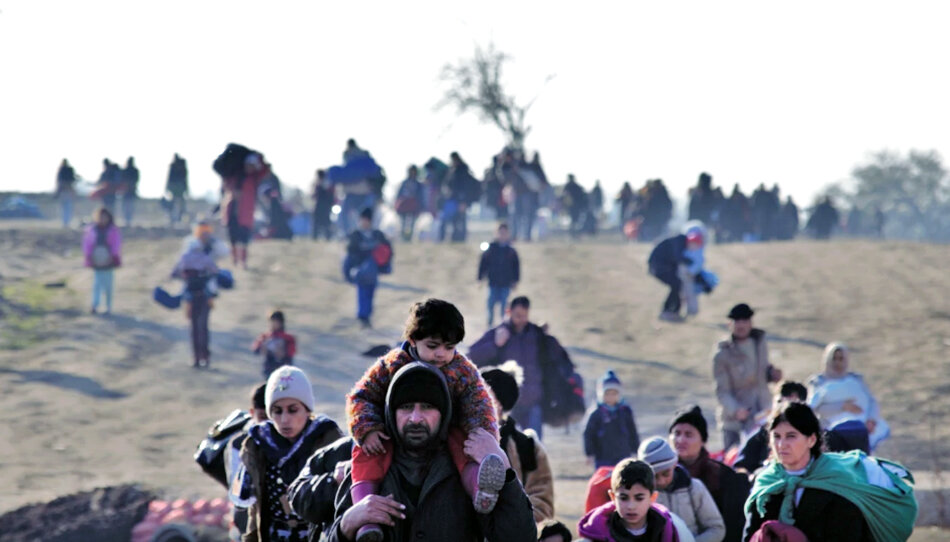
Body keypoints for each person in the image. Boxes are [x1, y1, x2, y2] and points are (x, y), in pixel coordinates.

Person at [344, 299, 504, 541]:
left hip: (446, 433)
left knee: (465, 448)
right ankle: (366, 518)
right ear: (412, 340)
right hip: (392, 432)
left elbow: (479, 403)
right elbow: (362, 395)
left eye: (449, 347)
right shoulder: (392, 365)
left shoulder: (462, 370)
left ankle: (480, 492)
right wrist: (367, 429)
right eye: (432, 346)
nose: (441, 354)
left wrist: (483, 439)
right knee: (365, 453)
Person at [328, 361, 537, 542]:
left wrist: (506, 471)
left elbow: (519, 537)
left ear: (444, 412)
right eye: (407, 406)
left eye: (427, 407)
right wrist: (347, 524)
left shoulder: (469, 467)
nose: (416, 418)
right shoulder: (367, 466)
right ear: (391, 412)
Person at [743, 402, 917, 542]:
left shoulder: (838, 481)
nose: (781, 445)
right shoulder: (766, 482)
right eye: (776, 436)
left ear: (811, 440)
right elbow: (749, 534)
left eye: (791, 436)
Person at [232, 367, 344, 542]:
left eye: (293, 410)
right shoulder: (259, 443)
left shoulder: (329, 441)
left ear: (307, 410)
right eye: (277, 411)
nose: (284, 420)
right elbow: (255, 507)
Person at [469, 296, 576, 439]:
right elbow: (472, 356)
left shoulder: (536, 334)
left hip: (533, 402)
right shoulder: (497, 333)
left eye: (525, 316)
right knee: (505, 448)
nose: (522, 320)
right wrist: (495, 344)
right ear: (508, 312)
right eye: (518, 316)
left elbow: (557, 358)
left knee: (534, 447)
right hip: (506, 405)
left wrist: (547, 338)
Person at [482, 360, 556, 523]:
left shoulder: (527, 447)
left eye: (486, 399)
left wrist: (513, 523)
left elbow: (542, 501)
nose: (479, 405)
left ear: (500, 405)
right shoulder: (458, 441)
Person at [669, 406, 749, 542]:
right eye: (677, 433)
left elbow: (734, 526)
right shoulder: (661, 475)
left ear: (703, 440)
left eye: (689, 435)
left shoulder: (723, 476)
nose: (680, 440)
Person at [713, 304, 782, 450]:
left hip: (763, 412)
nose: (741, 325)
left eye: (744, 320)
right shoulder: (723, 354)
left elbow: (760, 372)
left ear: (751, 323)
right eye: (737, 321)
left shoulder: (759, 343)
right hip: (735, 421)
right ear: (729, 324)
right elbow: (722, 391)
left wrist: (771, 374)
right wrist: (736, 409)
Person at [578, 458, 694, 542]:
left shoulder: (674, 529)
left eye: (639, 498)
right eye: (623, 498)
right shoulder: (596, 535)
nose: (631, 506)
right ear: (613, 497)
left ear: (652, 498)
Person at [639, 437, 725, 542]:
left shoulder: (694, 488)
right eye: (654, 476)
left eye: (666, 473)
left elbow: (716, 528)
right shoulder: (640, 496)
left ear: (674, 464)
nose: (661, 481)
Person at [807, 343, 889, 451]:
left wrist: (871, 420)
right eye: (834, 358)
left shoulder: (856, 379)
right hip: (830, 435)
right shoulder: (818, 382)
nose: (837, 362)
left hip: (859, 433)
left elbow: (871, 402)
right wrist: (843, 406)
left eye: (841, 359)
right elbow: (814, 408)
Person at [733, 382, 807, 476]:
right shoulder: (761, 435)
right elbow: (741, 467)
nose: (783, 410)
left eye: (790, 405)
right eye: (779, 403)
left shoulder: (815, 436)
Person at [171, 231, 220, 368]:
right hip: (204, 296)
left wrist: (185, 277)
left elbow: (174, 273)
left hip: (190, 298)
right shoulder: (205, 258)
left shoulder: (184, 258)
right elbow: (215, 271)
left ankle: (196, 358)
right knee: (203, 327)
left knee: (193, 328)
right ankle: (206, 357)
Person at [217, 146, 270, 269]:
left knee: (244, 238)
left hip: (246, 213)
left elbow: (265, 170)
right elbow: (225, 183)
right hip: (231, 210)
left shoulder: (254, 178)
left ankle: (243, 261)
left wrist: (257, 155)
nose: (249, 168)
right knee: (233, 237)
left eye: (252, 166)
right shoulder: (234, 176)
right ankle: (235, 260)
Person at [343, 208, 392, 328]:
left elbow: (388, 250)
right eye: (363, 220)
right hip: (360, 270)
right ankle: (363, 316)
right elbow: (350, 253)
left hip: (373, 271)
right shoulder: (356, 235)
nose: (364, 222)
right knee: (363, 292)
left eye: (366, 220)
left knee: (370, 293)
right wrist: (347, 271)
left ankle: (366, 316)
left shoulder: (377, 234)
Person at [584, 370, 640, 469]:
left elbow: (633, 431)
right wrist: (589, 454)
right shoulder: (596, 413)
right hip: (603, 457)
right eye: (607, 393)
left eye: (614, 393)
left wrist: (636, 450)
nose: (610, 397)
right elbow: (588, 434)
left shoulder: (625, 412)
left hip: (623, 455)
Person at [648, 228, 705, 322]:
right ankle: (668, 311)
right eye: (695, 246)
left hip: (662, 266)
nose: (694, 249)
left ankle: (673, 311)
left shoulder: (681, 241)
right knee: (676, 284)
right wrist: (689, 262)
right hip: (658, 266)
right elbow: (678, 257)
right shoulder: (680, 241)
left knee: (677, 285)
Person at [478, 223, 520, 327]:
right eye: (500, 233)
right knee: (490, 304)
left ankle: (504, 325)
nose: (502, 235)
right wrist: (480, 278)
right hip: (493, 282)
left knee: (504, 306)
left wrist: (515, 280)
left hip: (506, 283)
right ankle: (490, 325)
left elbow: (516, 267)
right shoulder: (491, 248)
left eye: (504, 233)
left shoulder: (511, 251)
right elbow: (483, 263)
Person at [82, 207, 122, 315]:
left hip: (109, 260)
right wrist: (89, 256)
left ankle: (108, 306)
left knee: (108, 285)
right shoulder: (92, 229)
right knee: (97, 284)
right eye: (101, 217)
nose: (103, 219)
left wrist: (112, 256)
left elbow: (116, 245)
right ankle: (95, 305)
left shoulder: (113, 230)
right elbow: (87, 244)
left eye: (105, 217)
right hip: (96, 260)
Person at [440, 152, 478, 242]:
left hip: (461, 200)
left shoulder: (463, 171)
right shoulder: (452, 171)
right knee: (452, 220)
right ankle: (452, 238)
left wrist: (464, 201)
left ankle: (460, 238)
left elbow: (466, 187)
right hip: (452, 200)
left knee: (460, 221)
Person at [252, 310, 298, 379]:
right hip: (268, 371)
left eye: (276, 321)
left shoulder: (288, 338)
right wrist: (263, 348)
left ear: (281, 323)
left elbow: (292, 352)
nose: (273, 324)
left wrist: (282, 352)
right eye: (272, 321)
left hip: (284, 372)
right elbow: (255, 350)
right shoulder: (265, 337)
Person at [394, 166, 423, 242]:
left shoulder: (418, 184)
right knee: (403, 222)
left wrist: (421, 206)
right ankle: (403, 238)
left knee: (412, 223)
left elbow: (421, 196)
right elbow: (399, 194)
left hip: (414, 205)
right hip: (404, 204)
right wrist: (397, 203)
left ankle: (409, 238)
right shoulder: (404, 183)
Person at [311, 169, 335, 241]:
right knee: (320, 222)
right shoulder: (319, 184)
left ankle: (327, 237)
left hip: (324, 206)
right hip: (322, 206)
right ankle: (316, 237)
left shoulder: (325, 184)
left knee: (325, 223)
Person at [166, 153, 189, 224]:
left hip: (178, 188)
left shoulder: (178, 167)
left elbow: (184, 179)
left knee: (177, 204)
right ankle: (175, 219)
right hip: (177, 188)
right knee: (175, 204)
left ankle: (177, 219)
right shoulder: (180, 167)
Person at [55, 159, 77, 228]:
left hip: (65, 191)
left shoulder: (62, 170)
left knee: (66, 207)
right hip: (67, 191)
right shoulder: (69, 170)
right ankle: (66, 222)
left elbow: (59, 181)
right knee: (67, 207)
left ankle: (66, 222)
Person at [120, 156, 139, 227]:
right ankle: (127, 221)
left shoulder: (128, 171)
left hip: (129, 192)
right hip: (127, 192)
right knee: (127, 208)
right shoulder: (133, 171)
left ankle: (128, 221)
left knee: (128, 208)